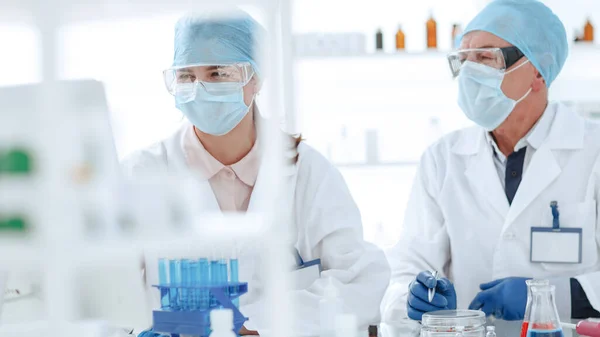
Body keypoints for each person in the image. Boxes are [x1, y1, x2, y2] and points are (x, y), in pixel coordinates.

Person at [121, 10, 390, 335]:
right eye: (187, 76)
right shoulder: (141, 175)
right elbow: (105, 298)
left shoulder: (309, 173)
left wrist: (256, 323)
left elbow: (359, 279)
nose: (200, 87)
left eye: (218, 72)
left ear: (257, 79)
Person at [381, 0, 600, 334]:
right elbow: (406, 269)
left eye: (485, 57)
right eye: (462, 59)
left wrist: (548, 295)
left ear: (539, 69)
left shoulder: (593, 151)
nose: (469, 71)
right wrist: (412, 297)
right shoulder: (442, 159)